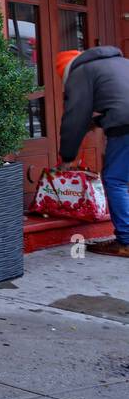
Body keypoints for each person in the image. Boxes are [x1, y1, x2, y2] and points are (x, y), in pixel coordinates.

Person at [56, 47, 129, 257]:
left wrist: (68, 157)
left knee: (115, 181)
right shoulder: (121, 63)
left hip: (125, 128)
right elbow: (119, 99)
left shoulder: (81, 71)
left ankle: (126, 241)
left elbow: (74, 117)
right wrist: (99, 121)